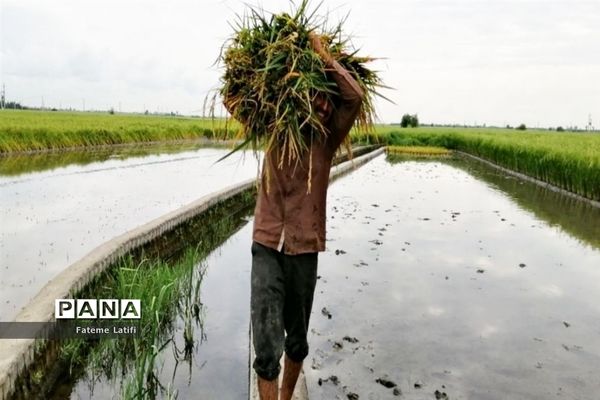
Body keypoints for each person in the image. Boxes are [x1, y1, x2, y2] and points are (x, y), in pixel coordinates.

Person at [250, 33, 364, 400]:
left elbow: (355, 96)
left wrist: (322, 55)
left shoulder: (327, 140)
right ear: (296, 100)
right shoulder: (275, 128)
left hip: (304, 247)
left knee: (295, 340)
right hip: (267, 243)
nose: (322, 106)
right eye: (313, 98)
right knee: (266, 346)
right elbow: (235, 98)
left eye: (326, 100)